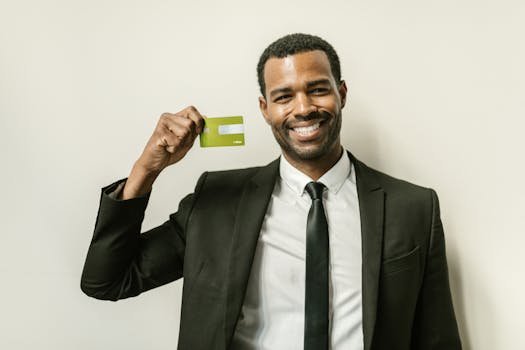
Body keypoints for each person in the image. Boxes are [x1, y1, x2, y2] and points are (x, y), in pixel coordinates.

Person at [81, 33, 462, 350]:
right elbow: (108, 280)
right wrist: (146, 170)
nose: (303, 108)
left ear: (341, 93)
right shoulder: (217, 201)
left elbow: (437, 339)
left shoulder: (413, 207)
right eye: (283, 97)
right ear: (265, 108)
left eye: (318, 90)